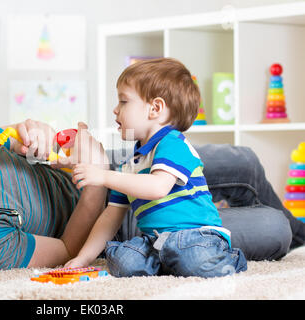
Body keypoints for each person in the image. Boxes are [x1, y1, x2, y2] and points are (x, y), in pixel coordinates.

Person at [0, 86, 303, 272]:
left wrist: (32, 129)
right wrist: (97, 180)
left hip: (108, 167)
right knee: (271, 227)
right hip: (120, 220)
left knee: (243, 161)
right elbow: (66, 251)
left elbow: (15, 134)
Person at [63, 58, 248, 278]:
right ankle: (167, 262)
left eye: (123, 101)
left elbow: (158, 186)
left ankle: (230, 259)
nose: (115, 110)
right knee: (123, 263)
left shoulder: (173, 143)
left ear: (155, 108)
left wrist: (103, 176)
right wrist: (83, 258)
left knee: (190, 255)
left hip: (196, 236)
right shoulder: (129, 165)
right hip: (155, 240)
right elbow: (110, 216)